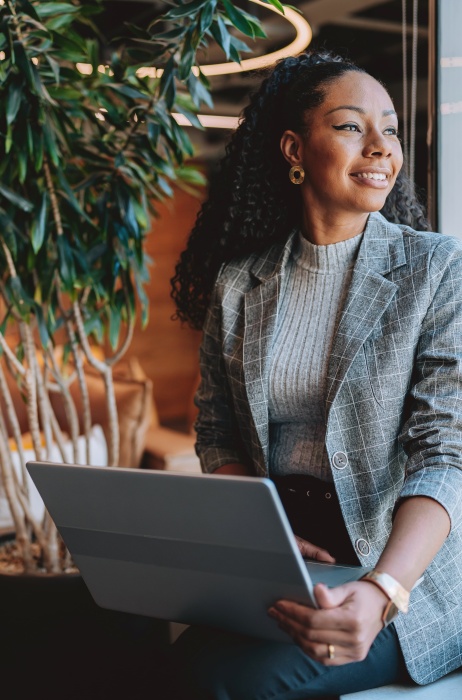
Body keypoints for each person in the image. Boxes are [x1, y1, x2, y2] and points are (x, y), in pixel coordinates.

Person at [170, 51, 462, 699]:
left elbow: (447, 452)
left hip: (402, 565)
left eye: (390, 129)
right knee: (169, 666)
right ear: (295, 149)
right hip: (286, 557)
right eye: (353, 126)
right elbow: (218, 433)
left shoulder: (437, 269)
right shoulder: (239, 283)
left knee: (232, 685)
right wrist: (263, 534)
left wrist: (381, 592)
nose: (382, 147)